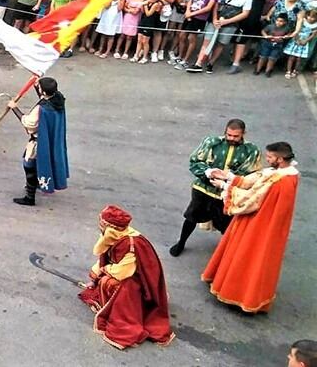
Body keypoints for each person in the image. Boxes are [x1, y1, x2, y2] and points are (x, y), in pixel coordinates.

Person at [201, 142, 300, 313]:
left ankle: (237, 294)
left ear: (280, 159)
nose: (267, 159)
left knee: (247, 257)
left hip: (259, 225)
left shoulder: (280, 182)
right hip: (261, 222)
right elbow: (255, 181)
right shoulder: (279, 174)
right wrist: (229, 177)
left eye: (270, 157)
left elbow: (252, 200)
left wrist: (225, 187)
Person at [78, 205, 175, 349]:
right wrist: (94, 278)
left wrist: (103, 272)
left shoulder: (130, 243)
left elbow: (123, 272)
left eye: (102, 225)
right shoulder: (114, 236)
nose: (100, 228)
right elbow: (105, 258)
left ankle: (127, 315)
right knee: (103, 279)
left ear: (109, 227)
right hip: (123, 272)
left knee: (108, 282)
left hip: (137, 280)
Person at [169, 119, 261, 256]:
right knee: (191, 217)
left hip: (227, 193)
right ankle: (181, 242)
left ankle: (225, 253)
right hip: (203, 189)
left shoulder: (251, 150)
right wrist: (209, 172)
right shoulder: (211, 143)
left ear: (243, 134)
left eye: (236, 136)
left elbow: (250, 174)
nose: (231, 138)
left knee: (226, 224)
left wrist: (228, 178)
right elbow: (195, 161)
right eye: (229, 135)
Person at [6, 77, 69, 206]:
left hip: (39, 141)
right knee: (36, 162)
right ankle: (38, 182)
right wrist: (36, 86)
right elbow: (45, 98)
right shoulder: (58, 99)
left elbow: (29, 123)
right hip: (51, 138)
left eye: (40, 88)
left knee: (28, 163)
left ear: (44, 92)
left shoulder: (41, 109)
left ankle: (30, 196)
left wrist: (14, 108)